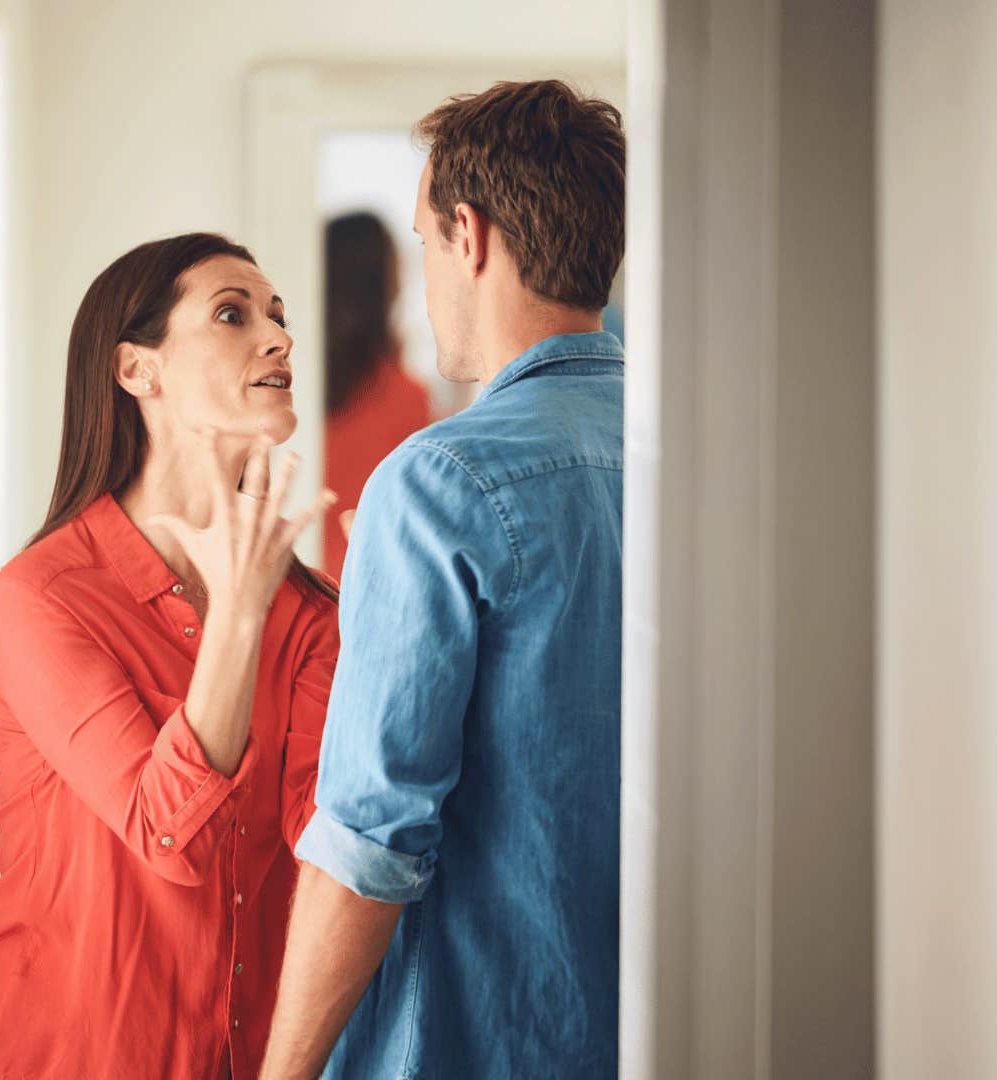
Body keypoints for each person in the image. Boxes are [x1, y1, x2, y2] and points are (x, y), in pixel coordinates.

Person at [261, 79, 629, 1080]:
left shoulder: (441, 481)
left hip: (473, 1044)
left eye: (426, 243)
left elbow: (369, 843)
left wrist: (283, 1071)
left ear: (469, 234)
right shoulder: (695, 450)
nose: (426, 276)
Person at [0, 233, 339, 1080]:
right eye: (233, 313)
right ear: (136, 371)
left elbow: (328, 848)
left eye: (278, 316)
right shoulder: (44, 596)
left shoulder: (308, 614)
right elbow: (168, 833)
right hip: (38, 1057)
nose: (279, 337)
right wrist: (237, 613)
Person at [322, 211, 432, 580]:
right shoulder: (404, 396)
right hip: (368, 584)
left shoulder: (294, 385)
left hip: (303, 587)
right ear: (382, 282)